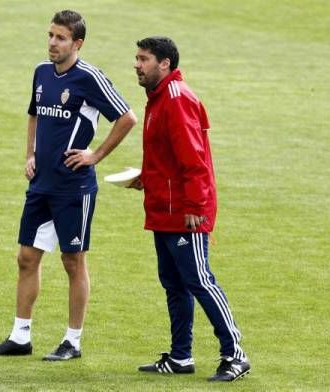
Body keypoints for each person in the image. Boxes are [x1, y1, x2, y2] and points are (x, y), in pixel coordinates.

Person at [0, 10, 137, 361]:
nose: (52, 43)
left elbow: (127, 117)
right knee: (25, 258)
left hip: (74, 188)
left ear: (77, 43)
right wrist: (30, 154)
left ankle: (73, 341)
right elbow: (34, 113)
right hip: (42, 184)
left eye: (60, 38)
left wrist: (95, 155)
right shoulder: (41, 72)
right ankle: (20, 337)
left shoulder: (90, 78)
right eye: (50, 35)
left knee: (72, 260)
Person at [129, 36, 250, 381]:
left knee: (199, 280)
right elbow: (169, 155)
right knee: (174, 283)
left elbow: (194, 158)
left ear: (164, 63)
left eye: (144, 59)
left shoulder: (176, 100)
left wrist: (196, 205)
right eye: (136, 58)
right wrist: (146, 176)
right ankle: (181, 356)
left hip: (186, 211)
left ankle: (235, 354)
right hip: (165, 208)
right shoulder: (159, 97)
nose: (137, 65)